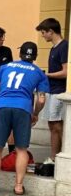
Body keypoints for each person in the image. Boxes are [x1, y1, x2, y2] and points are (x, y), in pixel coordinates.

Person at [0, 41, 49, 195]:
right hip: (23, 109)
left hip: (2, 107)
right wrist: (35, 114)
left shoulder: (6, 67)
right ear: (35, 56)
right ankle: (19, 186)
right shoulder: (39, 73)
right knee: (21, 149)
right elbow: (41, 99)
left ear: (20, 54)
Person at [36, 18, 67, 162]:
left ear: (51, 31)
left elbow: (66, 72)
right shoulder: (54, 48)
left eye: (43, 32)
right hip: (52, 90)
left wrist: (46, 74)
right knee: (52, 124)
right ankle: (54, 157)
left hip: (60, 91)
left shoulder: (64, 46)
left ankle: (59, 157)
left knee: (57, 125)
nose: (42, 36)